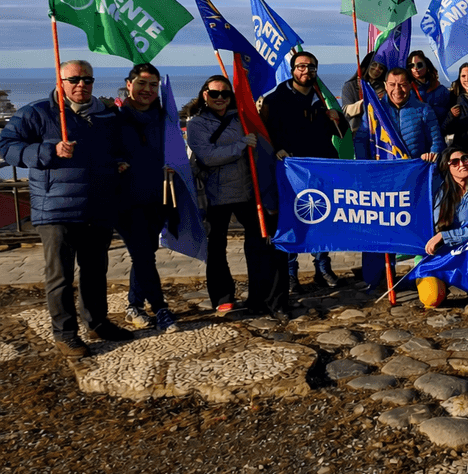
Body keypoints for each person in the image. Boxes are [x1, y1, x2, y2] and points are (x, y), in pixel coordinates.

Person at [0, 60, 133, 356]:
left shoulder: (105, 115)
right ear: (60, 82)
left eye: (87, 79)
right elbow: (6, 146)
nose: (81, 85)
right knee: (60, 275)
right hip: (55, 208)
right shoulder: (36, 113)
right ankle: (65, 334)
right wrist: (48, 150)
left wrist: (118, 162)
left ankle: (97, 323)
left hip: (97, 205)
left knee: (96, 271)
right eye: (74, 79)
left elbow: (115, 148)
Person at [184, 76, 290, 319]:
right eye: (214, 93)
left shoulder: (240, 118)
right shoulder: (196, 123)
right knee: (216, 247)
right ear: (204, 95)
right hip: (215, 195)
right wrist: (241, 145)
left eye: (225, 94)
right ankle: (222, 296)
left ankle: (259, 298)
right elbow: (208, 156)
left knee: (259, 245)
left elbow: (261, 143)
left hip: (246, 191)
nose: (220, 98)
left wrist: (276, 151)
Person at [260, 51, 347, 293]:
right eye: (300, 67)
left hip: (321, 167)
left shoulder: (322, 98)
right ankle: (290, 272)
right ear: (292, 69)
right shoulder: (275, 99)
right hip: (291, 171)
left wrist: (336, 118)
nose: (305, 71)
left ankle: (322, 267)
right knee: (292, 217)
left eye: (310, 67)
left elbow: (342, 132)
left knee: (322, 215)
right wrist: (276, 148)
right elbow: (264, 131)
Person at [113, 63, 179, 333]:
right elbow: (101, 150)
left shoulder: (165, 119)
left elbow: (174, 152)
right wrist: (114, 161)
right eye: (141, 83)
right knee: (143, 254)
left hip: (157, 197)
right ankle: (161, 308)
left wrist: (176, 163)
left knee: (145, 253)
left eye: (153, 85)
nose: (147, 90)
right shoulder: (113, 118)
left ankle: (134, 305)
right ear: (129, 84)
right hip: (125, 200)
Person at [423, 147, 468, 316]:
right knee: (430, 298)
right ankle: (444, 283)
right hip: (444, 251)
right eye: (454, 162)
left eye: (464, 158)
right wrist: (428, 164)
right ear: (447, 168)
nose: (461, 164)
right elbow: (423, 188)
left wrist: (443, 236)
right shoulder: (441, 191)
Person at [357, 67, 445, 162]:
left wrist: (431, 157)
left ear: (410, 85)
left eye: (402, 85)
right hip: (383, 170)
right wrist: (365, 165)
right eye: (392, 85)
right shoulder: (374, 111)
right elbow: (361, 140)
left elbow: (436, 141)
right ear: (385, 85)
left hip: (414, 170)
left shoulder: (424, 110)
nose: (397, 90)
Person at [341, 51, 388, 159]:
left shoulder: (383, 88)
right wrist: (366, 101)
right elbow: (346, 110)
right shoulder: (350, 86)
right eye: (374, 65)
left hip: (378, 136)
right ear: (367, 64)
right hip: (356, 132)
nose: (377, 69)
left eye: (381, 68)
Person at [407, 50, 454, 125]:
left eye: (419, 65)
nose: (415, 68)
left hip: (440, 132)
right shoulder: (408, 91)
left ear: (427, 66)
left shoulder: (441, 90)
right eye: (411, 65)